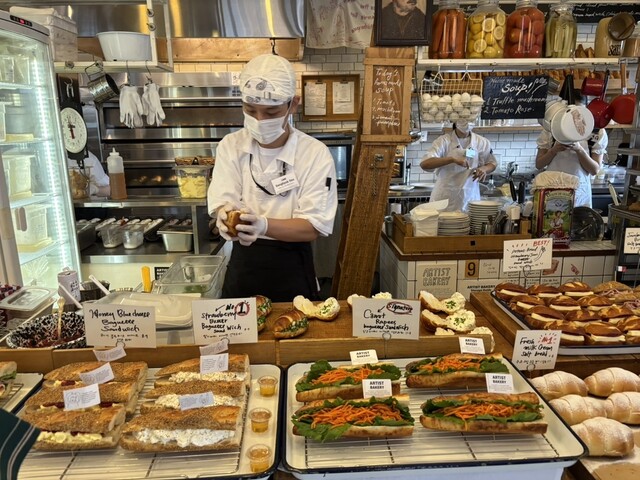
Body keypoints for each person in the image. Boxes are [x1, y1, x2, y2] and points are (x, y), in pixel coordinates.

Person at [208, 54, 338, 302]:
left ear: (293, 104)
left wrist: (264, 225)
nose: (260, 120)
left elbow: (313, 226)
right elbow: (224, 204)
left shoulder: (314, 153)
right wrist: (224, 219)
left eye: (271, 112)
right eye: (250, 110)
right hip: (243, 268)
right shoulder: (231, 146)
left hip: (292, 269)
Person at [419, 121, 497, 212]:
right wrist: (452, 159)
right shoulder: (443, 141)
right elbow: (425, 164)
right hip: (444, 198)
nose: (466, 122)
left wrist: (484, 169)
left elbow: (492, 163)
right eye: (463, 119)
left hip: (470, 197)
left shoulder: (481, 142)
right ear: (455, 121)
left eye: (469, 118)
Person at [535, 124, 607, 208]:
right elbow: (539, 164)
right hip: (551, 190)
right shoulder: (551, 128)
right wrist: (553, 151)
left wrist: (579, 150)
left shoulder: (597, 131)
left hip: (579, 192)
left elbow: (594, 170)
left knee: (578, 215)